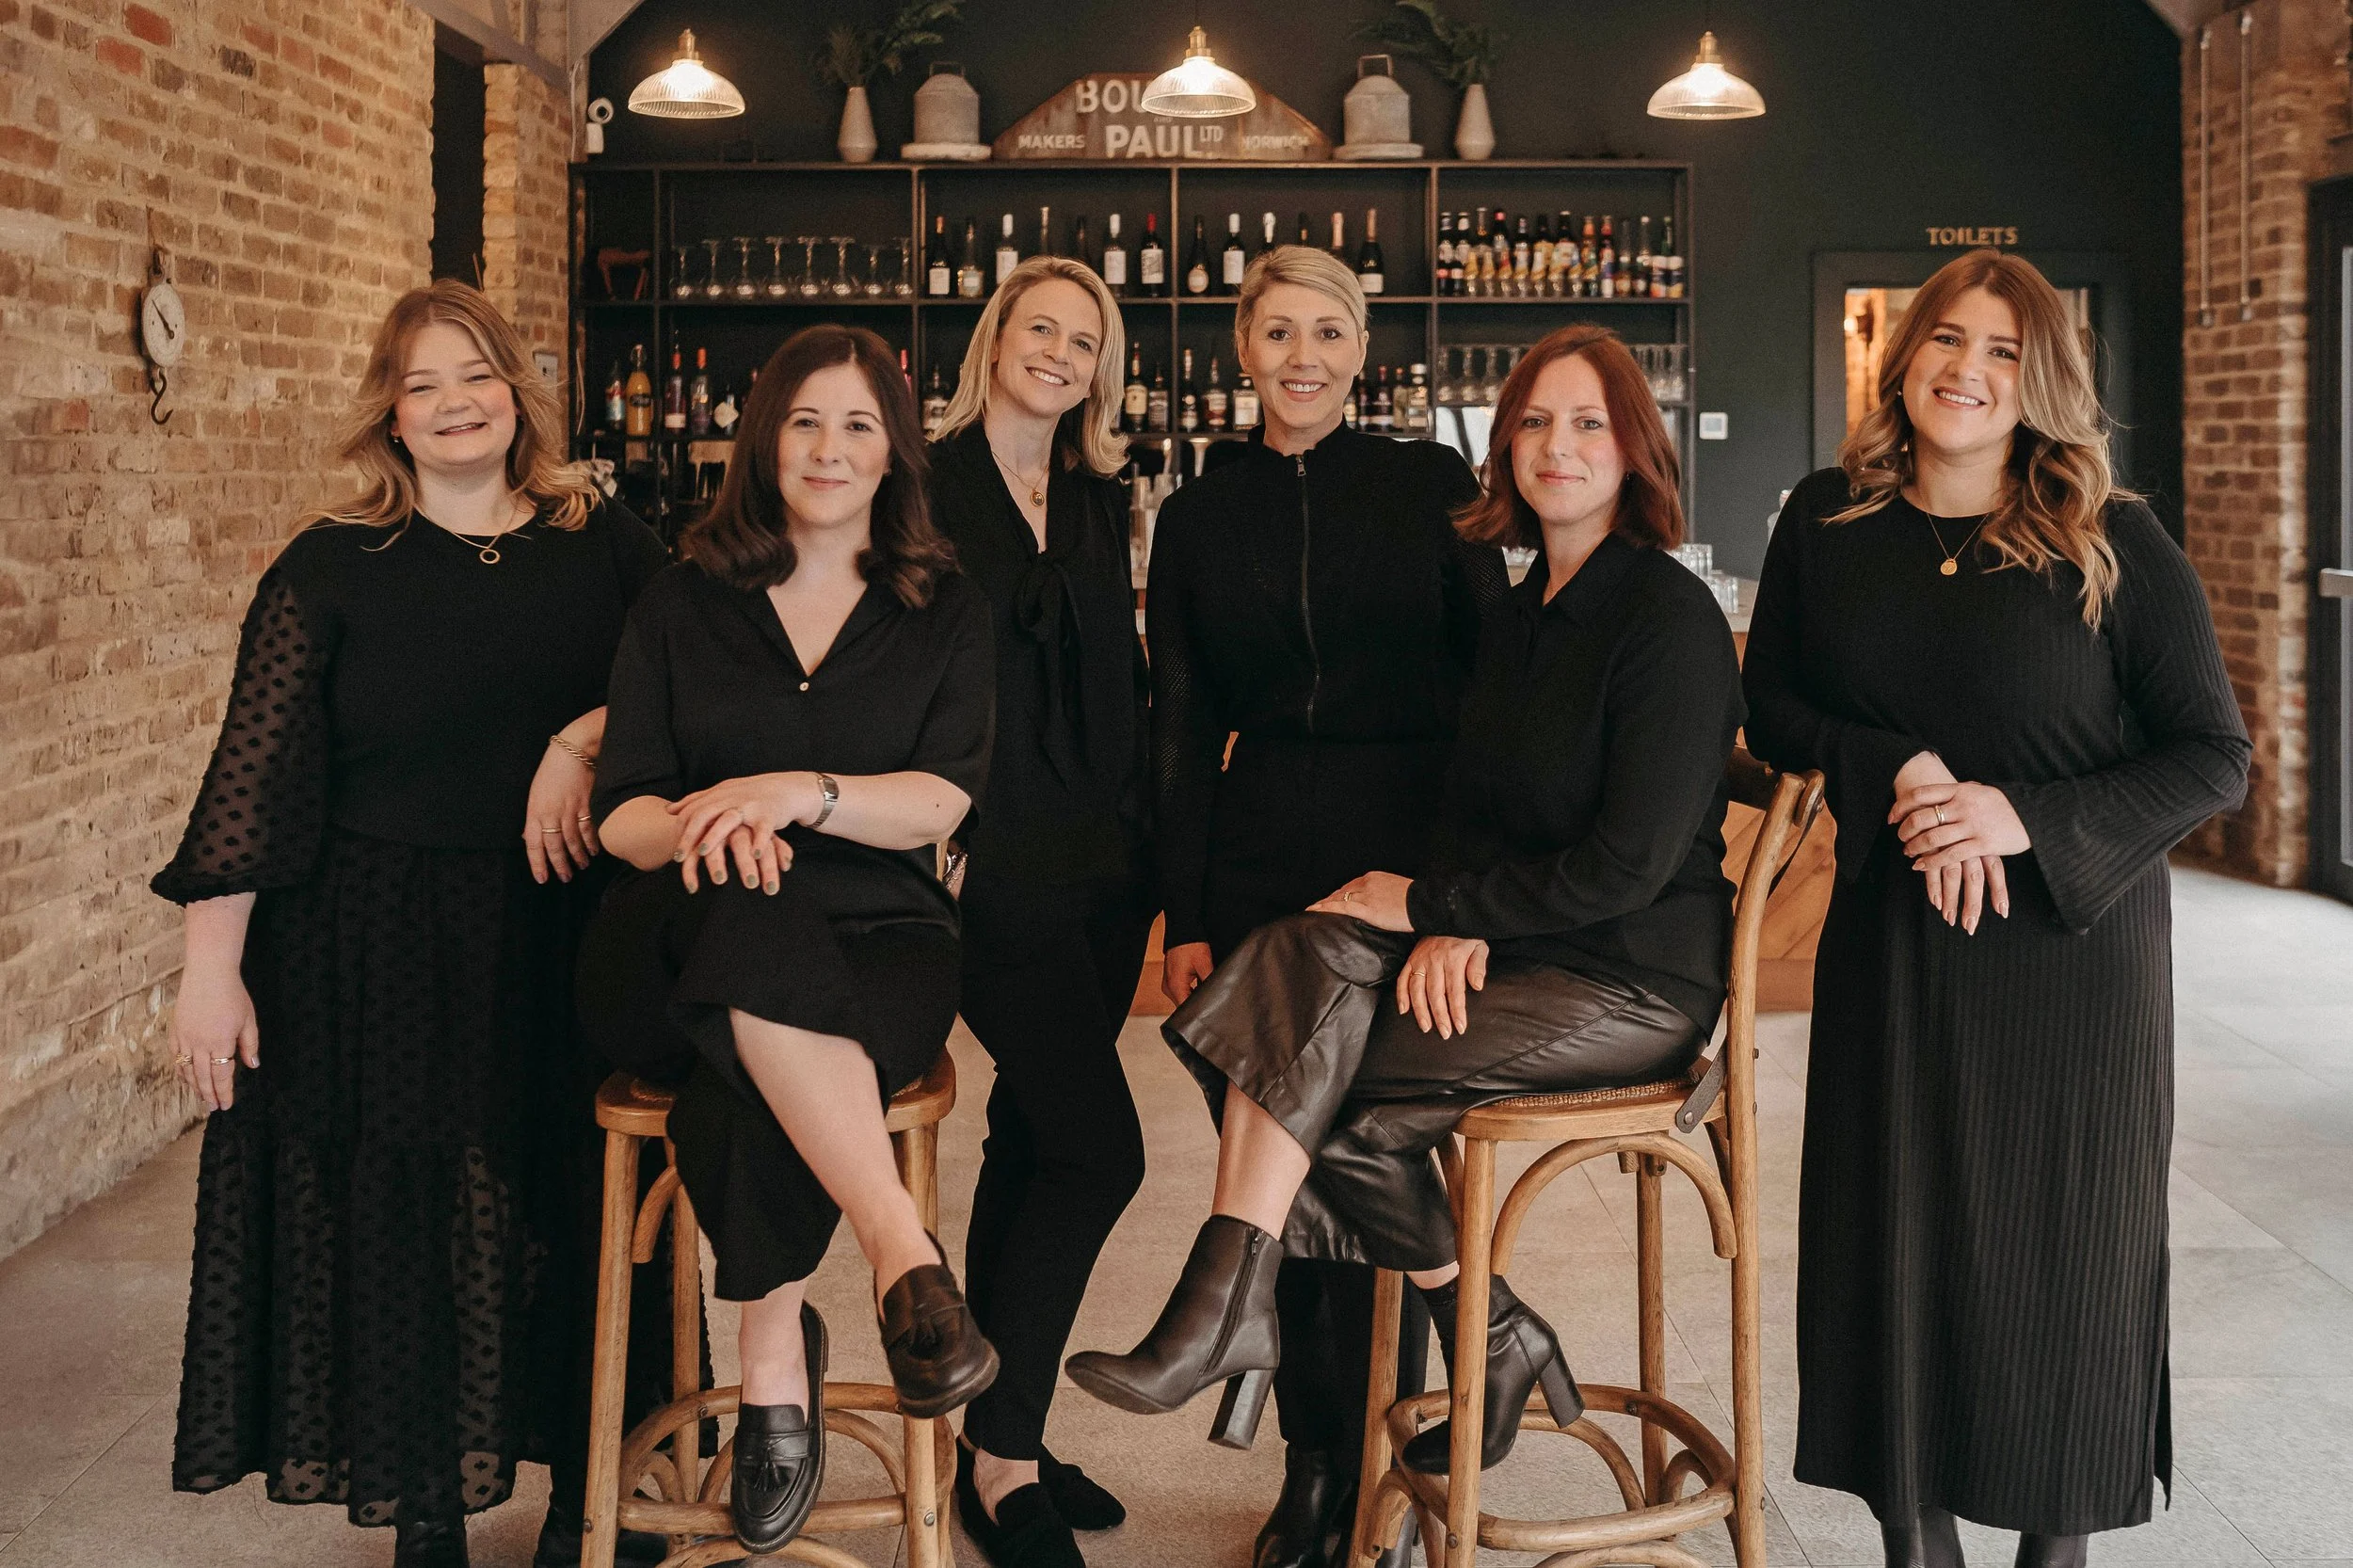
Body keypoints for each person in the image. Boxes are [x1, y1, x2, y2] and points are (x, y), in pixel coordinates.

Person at [1067, 323, 1744, 1492]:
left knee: (1300, 1067)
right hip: (1534, 954)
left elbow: (1627, 866)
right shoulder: (1526, 610)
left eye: (1588, 423)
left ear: (1637, 450)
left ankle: (1249, 1303)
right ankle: (1466, 1329)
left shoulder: (1664, 621)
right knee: (1296, 979)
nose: (1556, 445)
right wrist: (1444, 917)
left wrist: (1439, 902)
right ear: (1502, 451)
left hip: (1632, 978)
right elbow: (1480, 811)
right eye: (1532, 421)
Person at [1741, 249, 2250, 1568]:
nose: (1968, 369)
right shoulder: (1825, 522)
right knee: (1889, 1249)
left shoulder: (2111, 534)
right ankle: (1917, 1543)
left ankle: (2056, 1544)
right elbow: (1774, 705)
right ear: (1903, 355)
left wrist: (2024, 815)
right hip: (1898, 954)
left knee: (2062, 1264)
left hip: (2072, 968)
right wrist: (1896, 763)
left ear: (2045, 381)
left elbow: (2212, 753)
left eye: (2006, 350)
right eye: (1947, 339)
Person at [153, 280, 674, 1568]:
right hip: (373, 937)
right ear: (390, 411)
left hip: (566, 925)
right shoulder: (329, 567)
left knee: (579, 1199)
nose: (454, 403)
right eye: (424, 383)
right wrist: (207, 977)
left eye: (477, 375)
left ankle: (594, 1494)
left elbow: (700, 670)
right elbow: (248, 787)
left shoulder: (600, 541)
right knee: (413, 1217)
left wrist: (582, 734)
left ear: (517, 394)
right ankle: (424, 1503)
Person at [577, 323, 1000, 1557]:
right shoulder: (681, 597)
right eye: (805, 420)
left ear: (893, 452)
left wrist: (799, 791)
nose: (829, 447)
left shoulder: (944, 607)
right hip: (678, 925)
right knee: (745, 925)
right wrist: (715, 823)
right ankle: (899, 1252)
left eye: (858, 425)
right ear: (764, 437)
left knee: (749, 1055)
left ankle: (773, 1352)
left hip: (883, 939)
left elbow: (943, 798)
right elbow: (625, 813)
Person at [1137, 241, 1500, 1568]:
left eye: (1328, 333)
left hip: (1400, 859)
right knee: (1278, 1193)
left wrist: (1461, 890)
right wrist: (1180, 914)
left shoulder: (1429, 484)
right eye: (1278, 332)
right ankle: (1314, 1468)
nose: (1303, 358)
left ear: (1363, 350)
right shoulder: (1197, 513)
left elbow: (1490, 690)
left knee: (1359, 1159)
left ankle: (1385, 1467)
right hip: (1255, 855)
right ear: (1244, 348)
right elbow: (1178, 727)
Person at [924, 255, 1156, 1568]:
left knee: (1031, 1134)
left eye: (1085, 338)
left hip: (1104, 865)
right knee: (1097, 1146)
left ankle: (1001, 1417)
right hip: (991, 866)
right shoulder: (925, 483)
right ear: (995, 336)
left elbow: (1117, 667)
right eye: (1041, 329)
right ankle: (1001, 1461)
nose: (1061, 353)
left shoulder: (1095, 492)